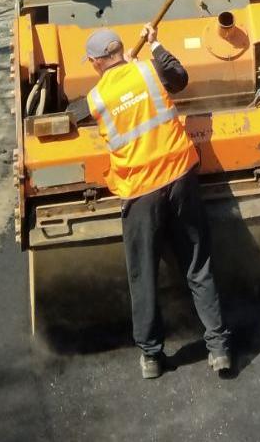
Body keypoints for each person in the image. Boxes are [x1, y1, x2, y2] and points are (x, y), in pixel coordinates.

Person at [74, 24, 231, 380]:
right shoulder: (148, 69)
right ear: (121, 51)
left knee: (142, 274)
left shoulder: (97, 98)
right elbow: (179, 77)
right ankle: (219, 348)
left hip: (140, 192)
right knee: (198, 265)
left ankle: (151, 357)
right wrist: (156, 44)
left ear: (96, 62)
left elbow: (75, 112)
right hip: (179, 179)